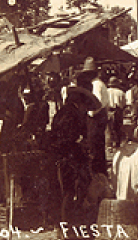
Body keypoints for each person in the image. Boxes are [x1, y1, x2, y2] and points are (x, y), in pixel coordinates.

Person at [48, 86, 99, 223]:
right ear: (80, 103)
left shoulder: (63, 112)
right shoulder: (70, 114)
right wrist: (81, 143)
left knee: (67, 190)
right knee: (70, 190)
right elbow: (69, 137)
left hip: (62, 155)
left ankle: (67, 220)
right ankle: (68, 223)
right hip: (68, 157)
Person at [76, 58, 110, 175]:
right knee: (99, 146)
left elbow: (96, 104)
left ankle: (97, 173)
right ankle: (100, 172)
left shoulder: (96, 85)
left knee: (94, 146)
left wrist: (88, 111)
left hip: (96, 118)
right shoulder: (99, 84)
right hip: (100, 116)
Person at [107, 76, 126, 149]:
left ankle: (109, 145)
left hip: (108, 111)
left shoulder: (106, 91)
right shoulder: (121, 92)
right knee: (118, 128)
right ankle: (117, 144)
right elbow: (124, 103)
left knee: (108, 129)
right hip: (118, 111)